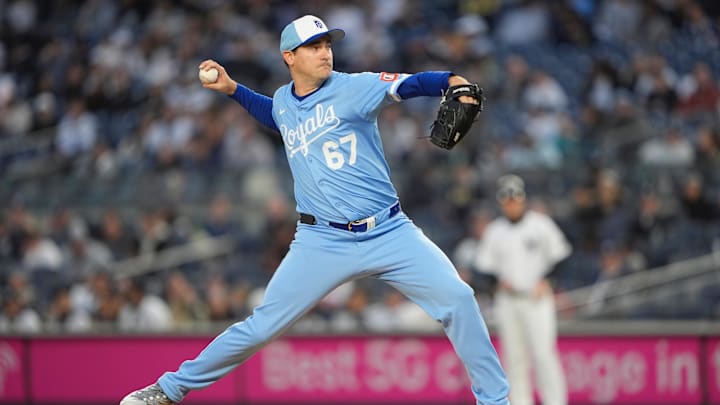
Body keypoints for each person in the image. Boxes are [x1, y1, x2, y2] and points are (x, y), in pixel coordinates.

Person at [120, 15, 509, 405]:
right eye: (314, 46)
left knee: (458, 299)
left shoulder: (355, 87)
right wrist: (233, 89)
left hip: (390, 232)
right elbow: (275, 115)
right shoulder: (286, 101)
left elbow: (409, 84)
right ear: (289, 56)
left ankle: (495, 401)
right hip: (321, 241)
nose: (325, 53)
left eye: (328, 45)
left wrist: (451, 80)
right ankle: (168, 390)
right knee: (261, 327)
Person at [475, 174, 571, 405]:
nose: (511, 204)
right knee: (514, 358)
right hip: (508, 300)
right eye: (507, 200)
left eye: (515, 198)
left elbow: (562, 256)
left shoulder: (541, 224)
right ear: (501, 202)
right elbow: (483, 269)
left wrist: (547, 280)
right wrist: (496, 283)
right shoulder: (494, 231)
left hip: (537, 298)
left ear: (523, 199)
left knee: (543, 355)